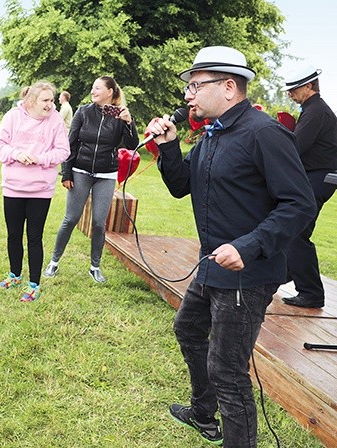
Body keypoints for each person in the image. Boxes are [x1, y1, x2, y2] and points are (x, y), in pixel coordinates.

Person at [146, 46, 315, 447]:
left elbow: (300, 203)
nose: (187, 94)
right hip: (212, 265)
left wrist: (249, 245)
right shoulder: (213, 133)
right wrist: (169, 146)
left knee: (228, 370)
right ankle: (204, 414)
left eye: (194, 85)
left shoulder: (263, 133)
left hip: (247, 274)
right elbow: (182, 186)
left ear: (227, 87)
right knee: (188, 329)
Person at [43, 76, 139, 283]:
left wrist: (129, 122)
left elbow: (132, 145)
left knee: (98, 222)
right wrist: (66, 173)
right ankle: (54, 261)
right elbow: (70, 144)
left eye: (97, 88)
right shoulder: (83, 111)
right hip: (80, 171)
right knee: (70, 219)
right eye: (92, 87)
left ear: (110, 92)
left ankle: (94, 267)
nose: (93, 91)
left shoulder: (121, 115)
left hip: (106, 174)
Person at [0, 81, 70, 302]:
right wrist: (16, 154)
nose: (50, 105)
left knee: (34, 237)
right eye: (45, 100)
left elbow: (63, 151)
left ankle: (34, 284)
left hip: (40, 189)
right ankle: (14, 275)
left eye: (52, 100)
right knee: (13, 234)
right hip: (13, 186)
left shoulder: (55, 120)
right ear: (31, 101)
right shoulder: (13, 117)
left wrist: (41, 159)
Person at [280, 64, 337, 309]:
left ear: (308, 86)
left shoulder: (316, 112)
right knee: (294, 229)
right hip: (316, 176)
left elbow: (295, 146)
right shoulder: (312, 109)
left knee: (297, 231)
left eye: (293, 90)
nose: (290, 94)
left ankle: (312, 293)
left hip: (320, 178)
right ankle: (286, 274)